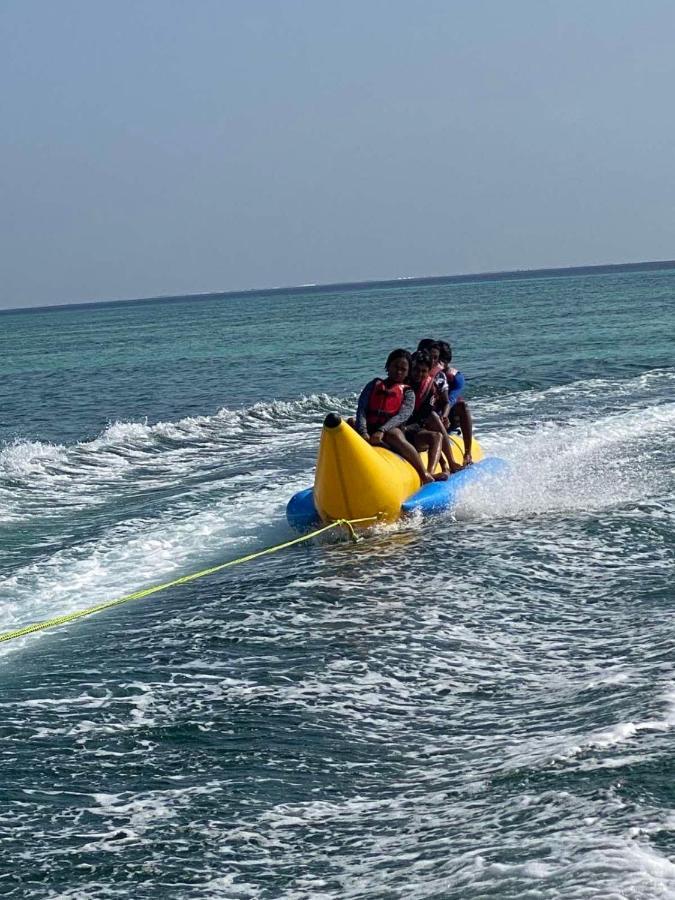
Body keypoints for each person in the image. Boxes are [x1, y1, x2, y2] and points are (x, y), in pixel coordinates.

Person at [352, 349, 434, 485]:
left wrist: (382, 430)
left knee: (393, 434)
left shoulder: (408, 392)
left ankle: (423, 474)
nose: (399, 371)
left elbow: (403, 415)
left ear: (408, 372)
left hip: (391, 429)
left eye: (403, 369)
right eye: (396, 366)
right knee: (348, 424)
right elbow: (362, 410)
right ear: (388, 366)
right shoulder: (373, 385)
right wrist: (363, 432)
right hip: (369, 428)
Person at [407, 350, 462, 474]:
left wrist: (444, 417)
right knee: (433, 421)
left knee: (433, 419)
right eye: (416, 370)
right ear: (410, 368)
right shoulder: (402, 385)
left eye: (423, 371)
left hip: (414, 431)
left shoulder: (430, 389)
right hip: (399, 432)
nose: (419, 374)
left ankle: (437, 469)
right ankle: (446, 465)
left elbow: (424, 418)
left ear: (429, 371)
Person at [437, 340, 473, 466]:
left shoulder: (456, 377)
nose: (436, 363)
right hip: (429, 414)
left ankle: (467, 452)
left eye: (440, 360)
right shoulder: (423, 373)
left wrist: (443, 415)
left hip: (447, 416)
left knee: (463, 406)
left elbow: (451, 400)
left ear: (446, 361)